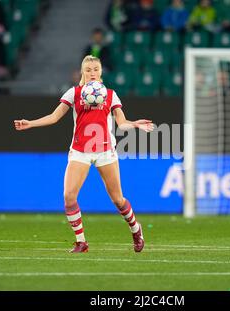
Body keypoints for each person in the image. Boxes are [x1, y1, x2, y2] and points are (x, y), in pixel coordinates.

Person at [14, 55, 154, 253]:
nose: (92, 73)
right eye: (88, 70)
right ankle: (81, 242)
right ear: (82, 73)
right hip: (80, 151)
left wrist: (134, 124)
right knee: (69, 196)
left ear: (101, 73)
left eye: (95, 69)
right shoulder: (74, 93)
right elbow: (54, 117)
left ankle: (135, 229)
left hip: (105, 151)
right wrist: (30, 123)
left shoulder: (111, 95)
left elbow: (121, 122)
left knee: (117, 199)